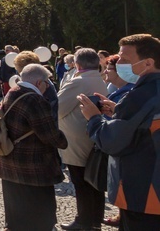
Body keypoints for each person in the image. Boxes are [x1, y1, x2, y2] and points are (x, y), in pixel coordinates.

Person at [78, 34, 160, 230]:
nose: (117, 62)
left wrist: (94, 118)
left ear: (148, 62)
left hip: (143, 190)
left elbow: (111, 141)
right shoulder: (148, 93)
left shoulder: (139, 96)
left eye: (124, 59)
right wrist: (118, 111)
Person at [0, 64, 68, 231]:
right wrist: (64, 141)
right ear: (39, 83)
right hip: (33, 165)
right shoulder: (35, 99)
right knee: (39, 214)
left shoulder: (12, 91)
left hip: (10, 161)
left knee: (16, 212)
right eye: (47, 82)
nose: (48, 86)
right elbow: (49, 135)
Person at [56, 48, 108, 230]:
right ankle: (95, 220)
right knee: (95, 182)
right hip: (93, 137)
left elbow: (57, 108)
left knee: (81, 182)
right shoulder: (100, 79)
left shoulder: (77, 81)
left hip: (77, 140)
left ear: (77, 64)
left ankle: (83, 220)